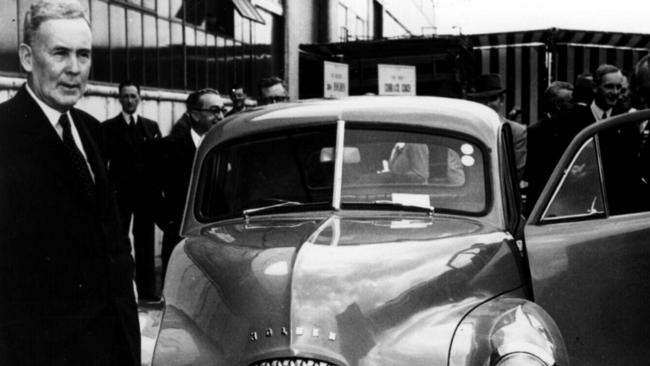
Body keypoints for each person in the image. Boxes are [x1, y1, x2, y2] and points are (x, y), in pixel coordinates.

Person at [0, 0, 139, 364]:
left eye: (83, 54)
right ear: (28, 59)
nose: (74, 69)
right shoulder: (4, 133)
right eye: (60, 53)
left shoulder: (89, 129)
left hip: (111, 346)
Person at [102, 80, 162, 301]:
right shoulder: (108, 128)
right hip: (120, 198)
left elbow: (158, 163)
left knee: (145, 244)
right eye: (125, 96)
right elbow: (103, 165)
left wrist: (156, 191)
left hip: (145, 198)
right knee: (119, 243)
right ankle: (121, 291)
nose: (129, 100)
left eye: (133, 96)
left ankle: (148, 293)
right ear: (119, 98)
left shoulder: (151, 127)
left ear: (140, 98)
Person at [157, 88, 225, 274]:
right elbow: (152, 193)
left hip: (219, 240)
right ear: (195, 115)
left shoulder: (224, 147)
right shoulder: (170, 147)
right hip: (181, 240)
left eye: (222, 110)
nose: (220, 116)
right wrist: (172, 224)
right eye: (214, 110)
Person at [525, 81, 575, 212]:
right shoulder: (535, 132)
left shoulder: (573, 129)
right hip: (541, 204)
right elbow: (529, 171)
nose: (574, 107)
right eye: (571, 102)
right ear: (558, 105)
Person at [468, 73, 527, 181]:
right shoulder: (466, 130)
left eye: (492, 99)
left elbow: (517, 172)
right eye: (482, 100)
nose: (487, 104)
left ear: (502, 100)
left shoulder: (517, 132)